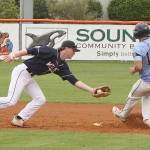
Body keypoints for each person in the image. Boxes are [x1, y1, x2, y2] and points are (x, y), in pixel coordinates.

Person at [1, 40, 110, 127]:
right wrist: (13, 55)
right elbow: (29, 50)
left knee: (40, 99)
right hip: (22, 71)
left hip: (29, 76)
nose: (74, 52)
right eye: (73, 50)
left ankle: (18, 119)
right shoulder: (50, 51)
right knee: (11, 100)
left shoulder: (62, 65)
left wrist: (92, 90)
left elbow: (74, 81)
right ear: (66, 48)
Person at [112, 22, 150, 127]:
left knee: (132, 96)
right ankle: (147, 119)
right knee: (147, 98)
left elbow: (138, 67)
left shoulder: (139, 47)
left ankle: (123, 115)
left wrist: (133, 70)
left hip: (146, 81)